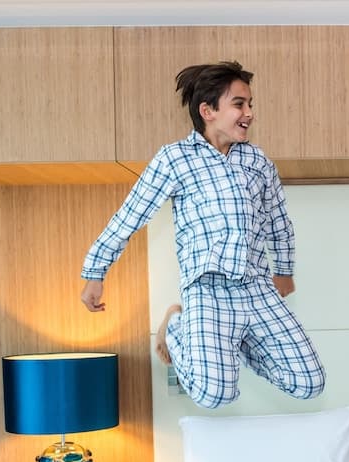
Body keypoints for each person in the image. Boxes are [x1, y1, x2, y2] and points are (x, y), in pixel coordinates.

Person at [80, 61, 325, 409]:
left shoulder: (257, 162)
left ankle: (234, 344)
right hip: (207, 289)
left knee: (309, 383)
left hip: (257, 287)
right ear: (208, 111)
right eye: (239, 104)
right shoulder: (175, 159)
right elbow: (130, 216)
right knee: (215, 395)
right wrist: (95, 272)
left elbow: (278, 221)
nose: (249, 112)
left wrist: (284, 270)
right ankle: (176, 327)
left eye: (250, 104)